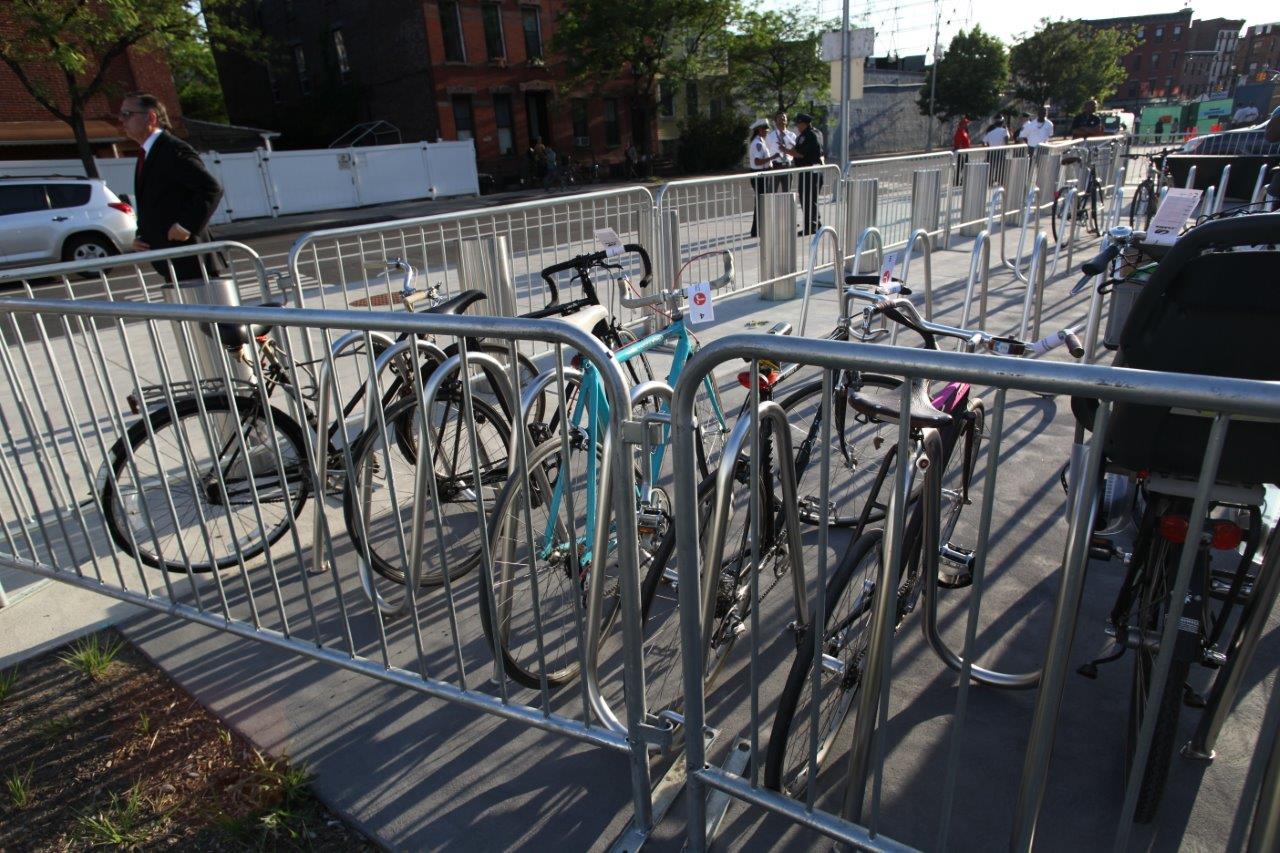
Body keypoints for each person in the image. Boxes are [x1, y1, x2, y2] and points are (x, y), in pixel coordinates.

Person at [118, 92, 223, 281]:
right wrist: (142, 235)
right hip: (173, 260)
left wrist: (185, 226)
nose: (122, 120)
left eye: (127, 114)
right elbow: (158, 201)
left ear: (151, 117)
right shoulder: (148, 153)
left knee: (206, 310)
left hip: (192, 260)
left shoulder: (172, 149)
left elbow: (211, 188)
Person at [783, 112, 824, 235]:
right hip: (814, 169)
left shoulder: (809, 135)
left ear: (804, 124)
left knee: (807, 199)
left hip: (809, 170)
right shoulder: (816, 132)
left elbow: (802, 154)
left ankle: (810, 227)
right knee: (811, 198)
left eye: (798, 124)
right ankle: (816, 223)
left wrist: (786, 151)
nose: (797, 126)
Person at [747, 119, 775, 238]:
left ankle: (759, 229)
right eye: (765, 130)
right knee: (760, 203)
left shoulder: (760, 141)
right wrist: (773, 157)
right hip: (759, 175)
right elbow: (758, 161)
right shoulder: (757, 143)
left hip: (763, 174)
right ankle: (756, 230)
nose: (767, 132)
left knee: (762, 202)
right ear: (759, 130)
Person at [766, 111, 795, 192]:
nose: (782, 119)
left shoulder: (792, 135)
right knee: (771, 192)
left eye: (784, 117)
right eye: (780, 118)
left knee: (787, 192)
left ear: (787, 120)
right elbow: (767, 150)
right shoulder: (770, 136)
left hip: (787, 166)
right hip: (776, 166)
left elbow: (795, 149)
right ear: (775, 121)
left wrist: (785, 137)